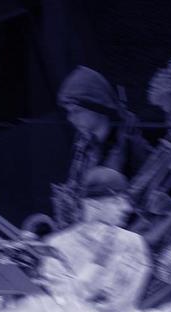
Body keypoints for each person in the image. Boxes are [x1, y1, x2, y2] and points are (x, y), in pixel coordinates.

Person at [43, 166, 151, 312]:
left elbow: (125, 304)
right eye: (116, 201)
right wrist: (98, 263)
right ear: (93, 204)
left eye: (126, 201)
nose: (127, 208)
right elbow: (62, 301)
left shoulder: (134, 243)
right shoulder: (58, 245)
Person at [54, 66, 150, 226]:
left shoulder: (130, 143)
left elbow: (145, 201)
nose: (70, 118)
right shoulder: (82, 145)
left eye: (76, 111)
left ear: (97, 107)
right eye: (68, 112)